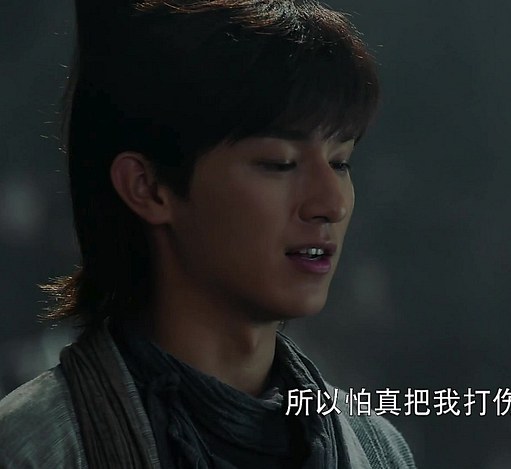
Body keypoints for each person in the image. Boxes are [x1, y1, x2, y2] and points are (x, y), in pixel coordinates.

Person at [0, 0, 416, 467]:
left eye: (340, 162)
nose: (331, 204)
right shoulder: (35, 449)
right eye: (279, 163)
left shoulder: (377, 449)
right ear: (148, 188)